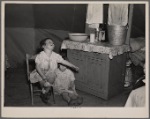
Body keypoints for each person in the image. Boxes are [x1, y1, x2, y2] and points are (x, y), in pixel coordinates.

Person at [30, 38, 79, 104]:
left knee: (53, 75)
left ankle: (45, 92)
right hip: (40, 73)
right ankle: (45, 90)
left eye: (53, 42)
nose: (52, 43)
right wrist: (43, 76)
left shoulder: (55, 55)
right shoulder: (40, 56)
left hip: (50, 73)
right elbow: (37, 67)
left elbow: (64, 61)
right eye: (49, 42)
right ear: (43, 46)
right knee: (41, 78)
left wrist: (73, 66)